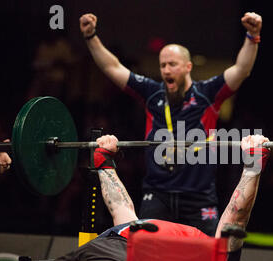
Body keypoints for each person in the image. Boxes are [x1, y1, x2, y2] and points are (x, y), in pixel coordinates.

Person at [1, 134, 270, 261]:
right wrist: (104, 161)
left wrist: (252, 168)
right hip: (109, 245)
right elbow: (121, 208)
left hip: (127, 260)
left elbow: (237, 216)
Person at [78, 12, 262, 236]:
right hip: (158, 194)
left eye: (172, 64)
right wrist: (91, 36)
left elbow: (242, 69)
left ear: (188, 67)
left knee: (210, 255)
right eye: (163, 65)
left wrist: (252, 35)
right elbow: (112, 68)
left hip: (199, 197)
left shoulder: (208, 94)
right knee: (145, 250)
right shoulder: (151, 92)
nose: (166, 70)